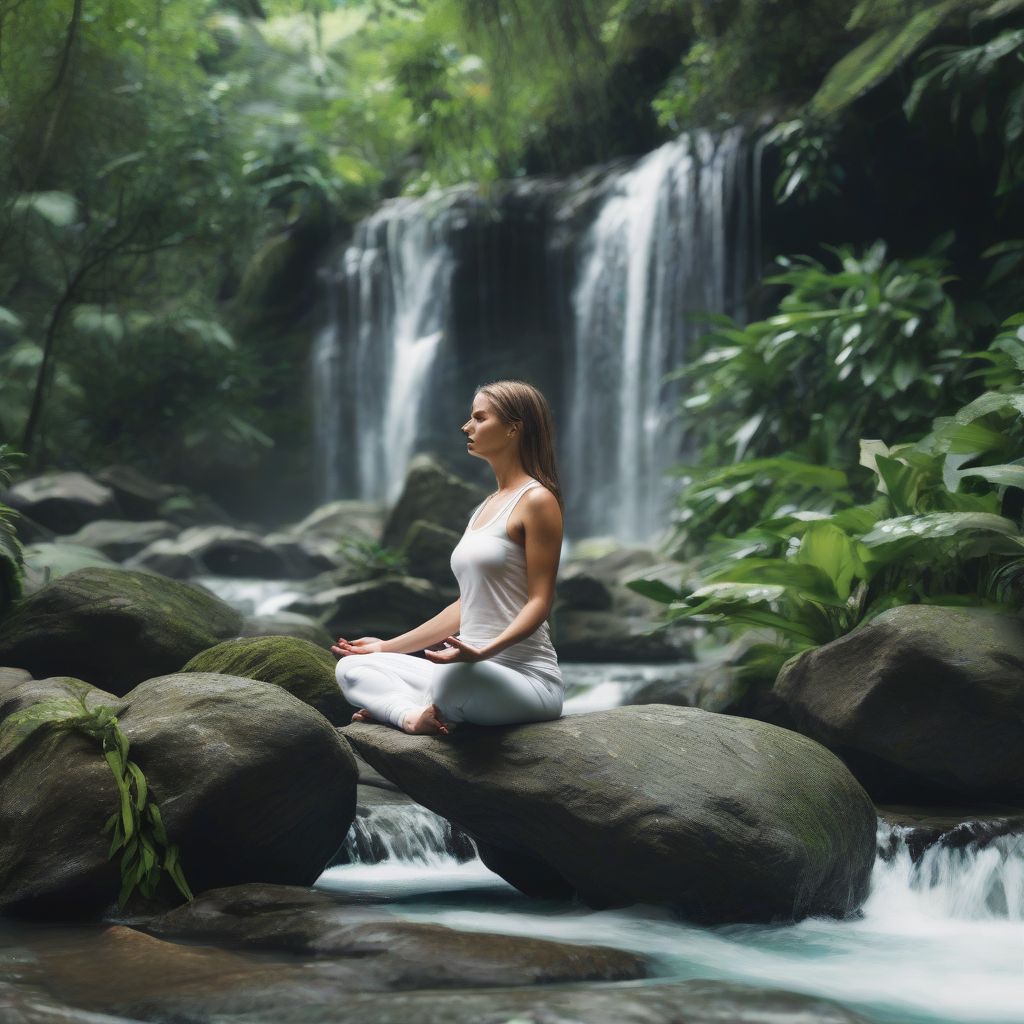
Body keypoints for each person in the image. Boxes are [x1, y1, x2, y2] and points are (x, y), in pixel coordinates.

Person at [331, 379, 564, 735]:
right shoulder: (484, 507)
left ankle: (397, 707)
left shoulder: (537, 500)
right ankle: (411, 717)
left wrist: (483, 653)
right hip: (467, 668)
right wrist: (385, 646)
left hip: (525, 677)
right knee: (352, 668)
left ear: (513, 429)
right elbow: (465, 606)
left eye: (479, 418)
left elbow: (539, 602)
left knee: (452, 677)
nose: (466, 427)